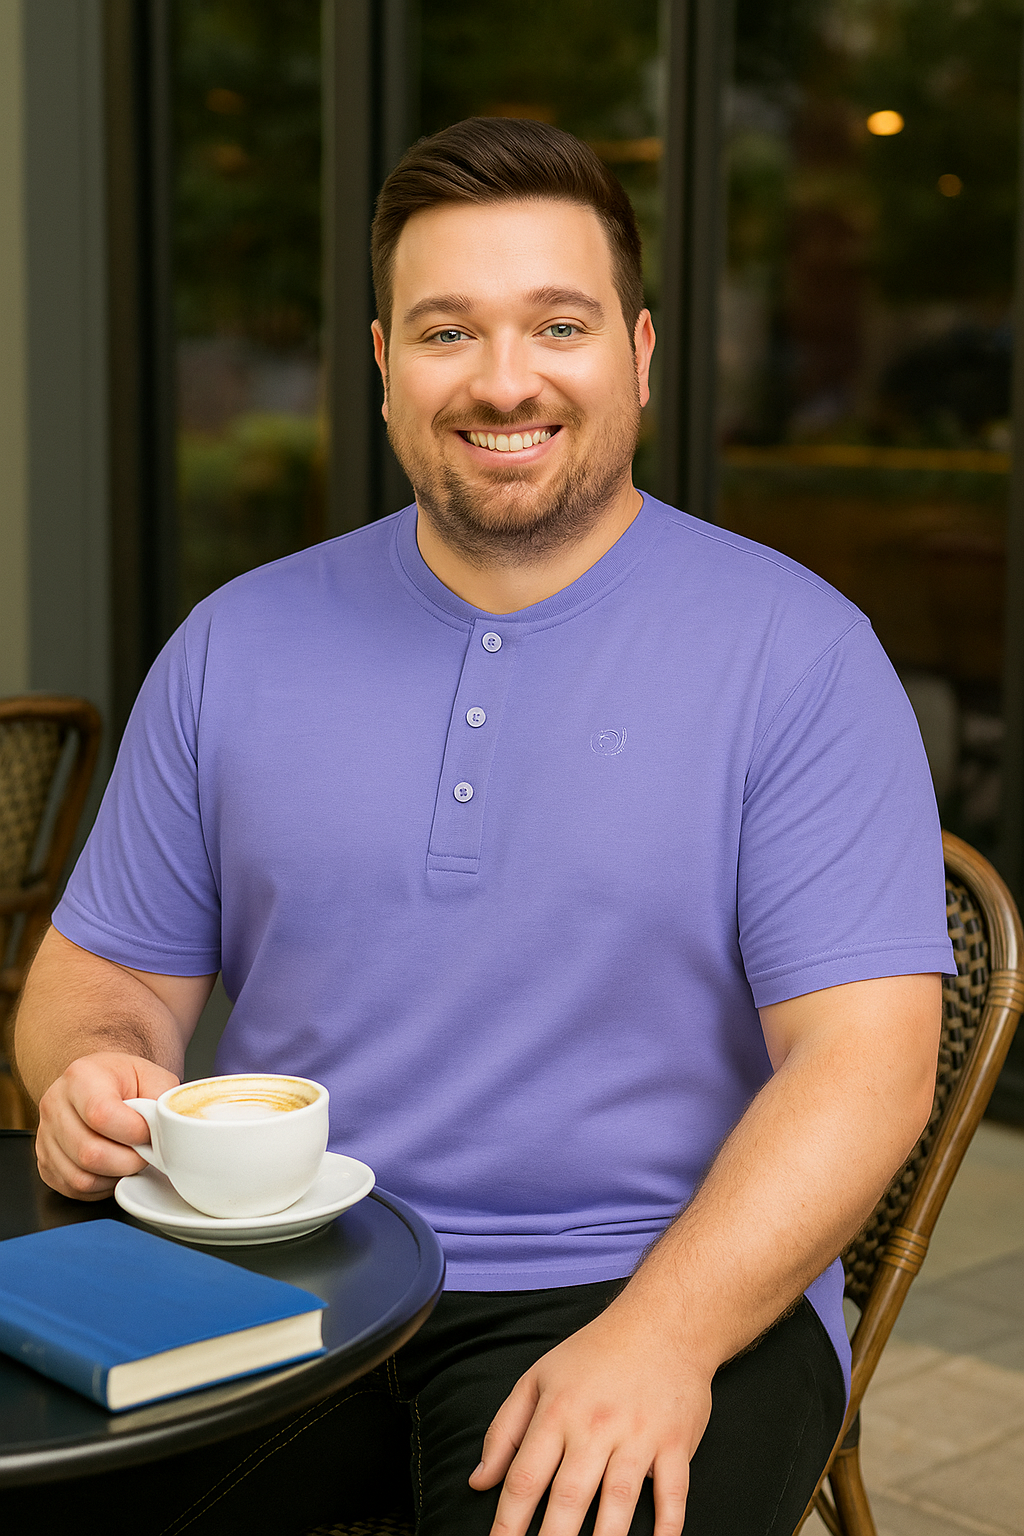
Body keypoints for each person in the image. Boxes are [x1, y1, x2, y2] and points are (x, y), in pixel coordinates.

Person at [14, 117, 954, 1536]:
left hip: (645, 1278)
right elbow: (108, 979)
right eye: (449, 332)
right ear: (384, 367)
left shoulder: (800, 654)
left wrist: (664, 1337)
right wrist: (94, 1071)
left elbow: (865, 1069)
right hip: (277, 1266)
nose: (505, 379)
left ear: (637, 355)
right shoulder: (233, 644)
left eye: (557, 325)